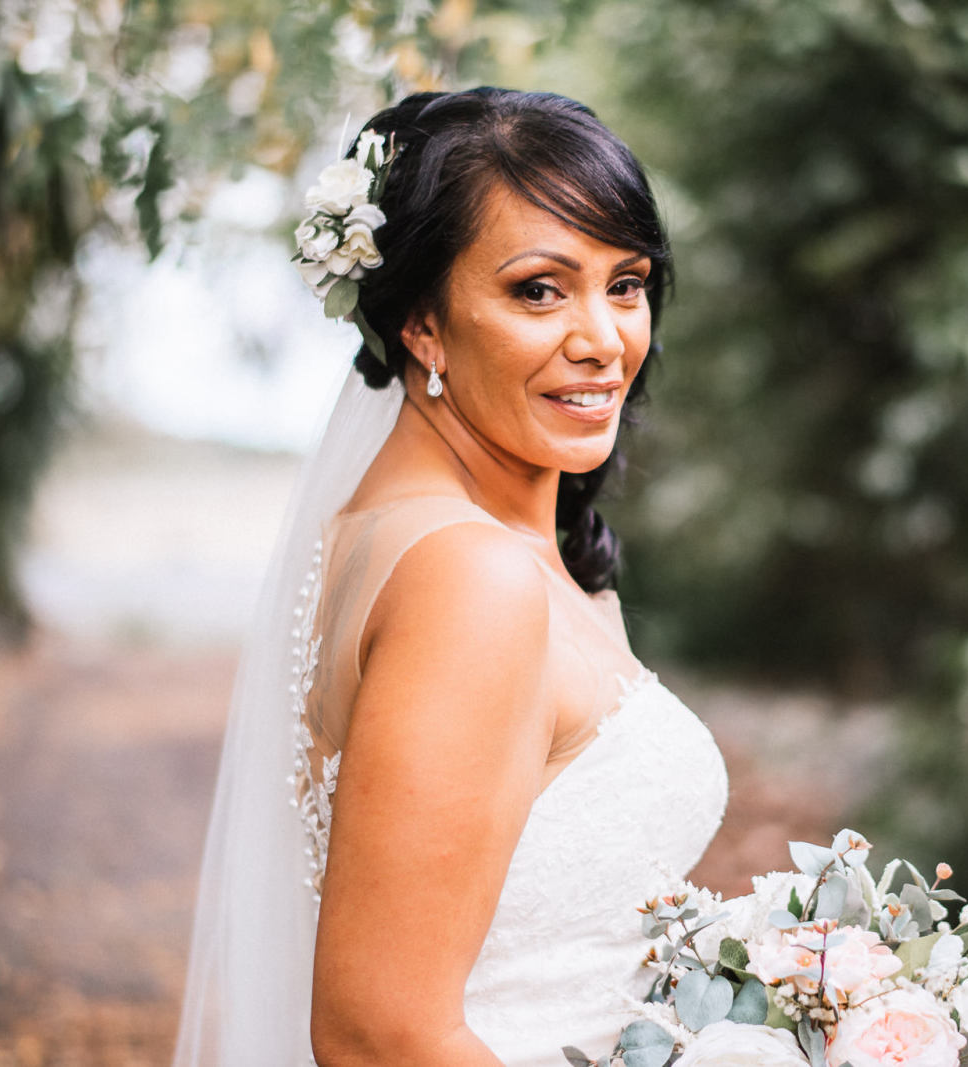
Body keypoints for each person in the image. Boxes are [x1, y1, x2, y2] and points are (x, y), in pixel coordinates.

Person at [173, 87, 728, 1066]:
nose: (605, 340)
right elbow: (377, 1034)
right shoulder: (471, 579)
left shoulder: (421, 539)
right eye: (539, 290)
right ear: (422, 322)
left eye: (626, 283)